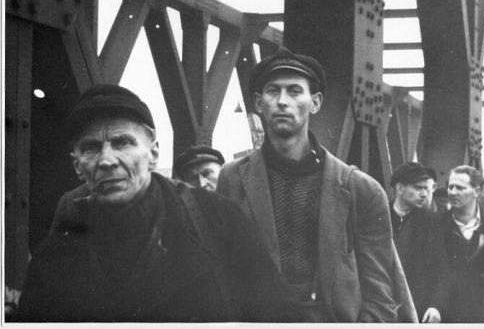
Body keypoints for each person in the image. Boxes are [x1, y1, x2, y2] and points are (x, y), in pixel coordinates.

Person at [16, 84, 299, 322]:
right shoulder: (56, 256)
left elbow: (278, 316)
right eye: (90, 148)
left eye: (122, 142)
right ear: (77, 166)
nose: (106, 160)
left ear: (153, 154)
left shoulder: (218, 220)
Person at [217, 47, 416, 322]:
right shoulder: (232, 179)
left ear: (316, 102)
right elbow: (223, 278)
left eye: (295, 91)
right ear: (259, 103)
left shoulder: (361, 190)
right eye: (273, 91)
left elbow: (380, 298)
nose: (283, 101)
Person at [389, 162, 450, 323]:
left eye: (426, 188)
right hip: (382, 307)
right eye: (418, 188)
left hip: (417, 310)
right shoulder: (380, 216)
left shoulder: (431, 221)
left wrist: (436, 306)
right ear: (400, 188)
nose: (424, 193)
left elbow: (441, 269)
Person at [441, 165, 484, 323]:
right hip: (449, 315)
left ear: (476, 192)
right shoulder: (436, 224)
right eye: (450, 187)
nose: (453, 192)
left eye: (460, 188)